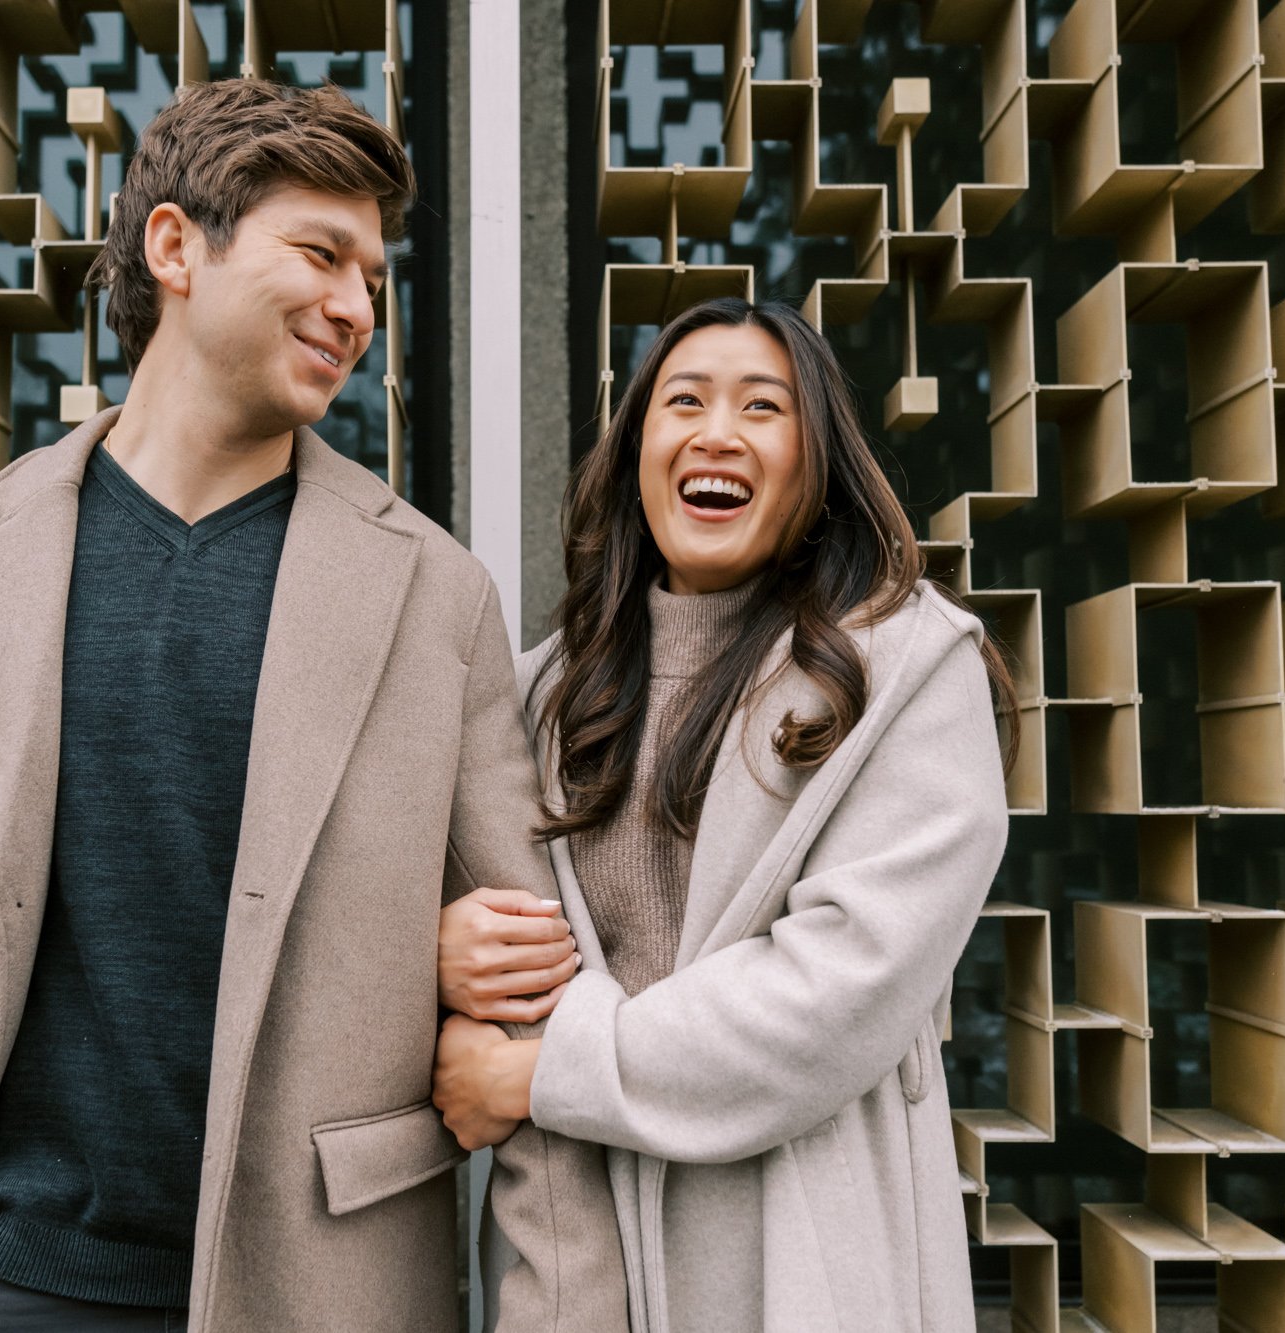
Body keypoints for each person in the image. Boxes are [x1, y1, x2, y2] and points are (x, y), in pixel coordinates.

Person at [0, 78, 623, 1333]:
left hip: (328, 1290)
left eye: (374, 278)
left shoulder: (431, 591)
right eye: (320, 253)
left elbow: (520, 979)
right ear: (176, 247)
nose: (356, 308)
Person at [433, 296, 1015, 1330]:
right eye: (683, 401)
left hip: (799, 1258)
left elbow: (834, 991)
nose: (715, 432)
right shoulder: (543, 693)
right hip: (577, 1266)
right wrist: (445, 950)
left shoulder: (908, 670)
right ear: (637, 451)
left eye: (763, 407)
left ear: (815, 460)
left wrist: (545, 1074)